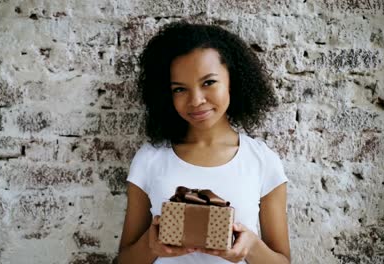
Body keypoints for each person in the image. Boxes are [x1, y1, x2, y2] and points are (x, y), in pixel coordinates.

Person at [117, 21, 290, 264]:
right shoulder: (149, 159)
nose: (196, 100)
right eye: (179, 89)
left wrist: (250, 246)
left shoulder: (262, 160)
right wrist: (151, 245)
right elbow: (123, 261)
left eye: (208, 82)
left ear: (232, 80)